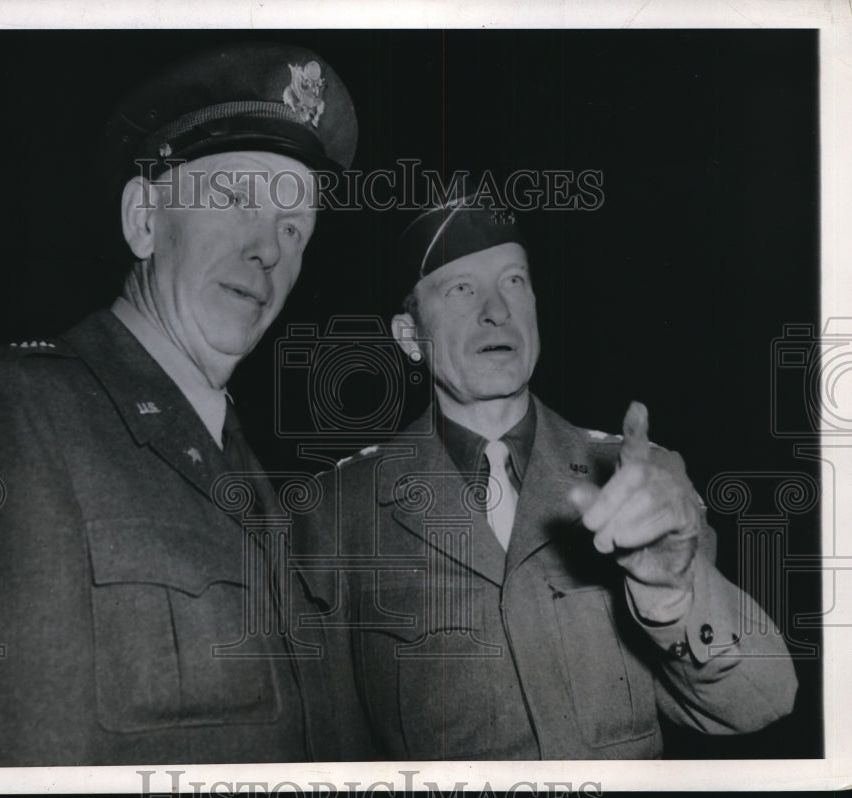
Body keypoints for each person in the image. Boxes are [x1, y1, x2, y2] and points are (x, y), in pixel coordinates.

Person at [0, 42, 358, 766]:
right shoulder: (20, 417)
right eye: (236, 199)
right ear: (145, 218)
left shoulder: (258, 480)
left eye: (294, 228)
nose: (269, 249)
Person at [296, 194, 799, 760]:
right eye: (462, 289)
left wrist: (673, 595)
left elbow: (761, 701)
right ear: (410, 337)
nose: (496, 311)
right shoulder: (338, 513)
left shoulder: (640, 481)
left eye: (513, 281)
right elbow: (328, 752)